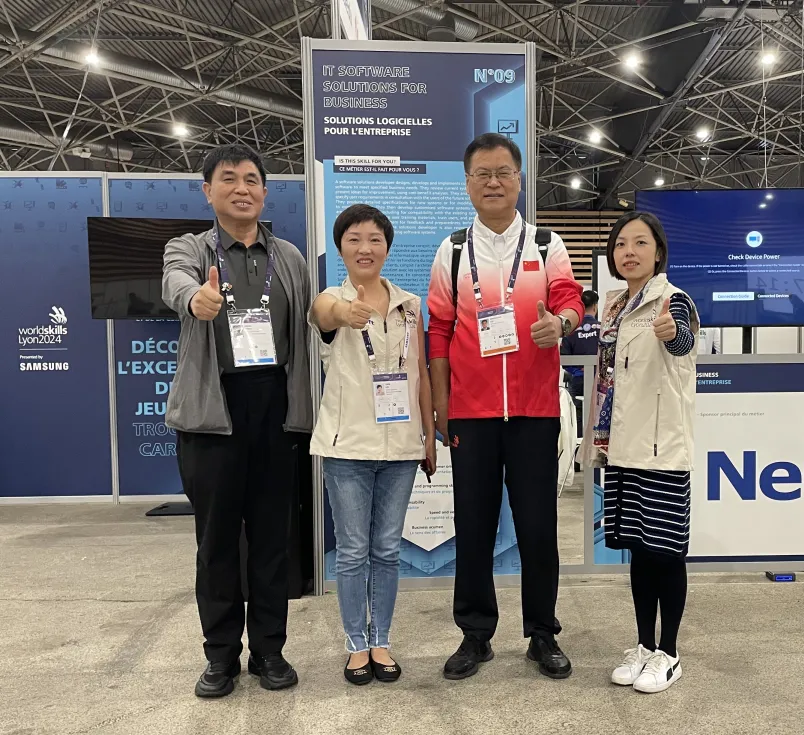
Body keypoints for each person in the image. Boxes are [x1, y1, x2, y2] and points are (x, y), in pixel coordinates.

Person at [427, 133, 584, 681]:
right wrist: (441, 405)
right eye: (482, 174)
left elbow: (569, 299)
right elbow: (439, 330)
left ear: (519, 180)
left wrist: (560, 323)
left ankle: (542, 633)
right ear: (468, 183)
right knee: (473, 526)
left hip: (535, 411)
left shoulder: (546, 243)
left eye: (503, 172)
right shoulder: (451, 251)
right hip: (471, 414)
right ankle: (475, 634)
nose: (493, 182)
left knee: (538, 527)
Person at [162, 144, 312, 698]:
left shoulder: (288, 256)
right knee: (217, 541)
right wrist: (194, 300)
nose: (242, 188)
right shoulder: (190, 248)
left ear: (264, 192)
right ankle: (220, 655)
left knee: (272, 538)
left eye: (251, 179)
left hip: (275, 408)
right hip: (213, 412)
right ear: (208, 191)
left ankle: (269, 650)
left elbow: (307, 325)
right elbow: (175, 281)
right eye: (229, 179)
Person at [309, 204, 436, 686]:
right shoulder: (331, 299)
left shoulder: (409, 305)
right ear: (341, 247)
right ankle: (355, 645)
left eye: (375, 239)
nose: (365, 248)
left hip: (401, 447)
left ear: (387, 247)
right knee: (352, 551)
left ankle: (381, 639)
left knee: (386, 549)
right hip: (347, 448)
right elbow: (322, 315)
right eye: (354, 239)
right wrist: (345, 312)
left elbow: (420, 373)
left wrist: (428, 436)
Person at [582, 211, 698, 695]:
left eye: (640, 243)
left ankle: (669, 653)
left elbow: (684, 343)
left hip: (661, 448)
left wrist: (672, 334)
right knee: (639, 551)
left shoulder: (675, 299)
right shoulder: (613, 305)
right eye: (621, 244)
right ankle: (644, 645)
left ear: (658, 251)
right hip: (623, 448)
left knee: (665, 552)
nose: (628, 251)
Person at [560, 289, 600, 430]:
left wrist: (578, 371)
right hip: (598, 381)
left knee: (576, 418)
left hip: (577, 381)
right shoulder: (603, 329)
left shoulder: (570, 331)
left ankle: (578, 441)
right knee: (598, 416)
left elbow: (563, 358)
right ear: (595, 306)